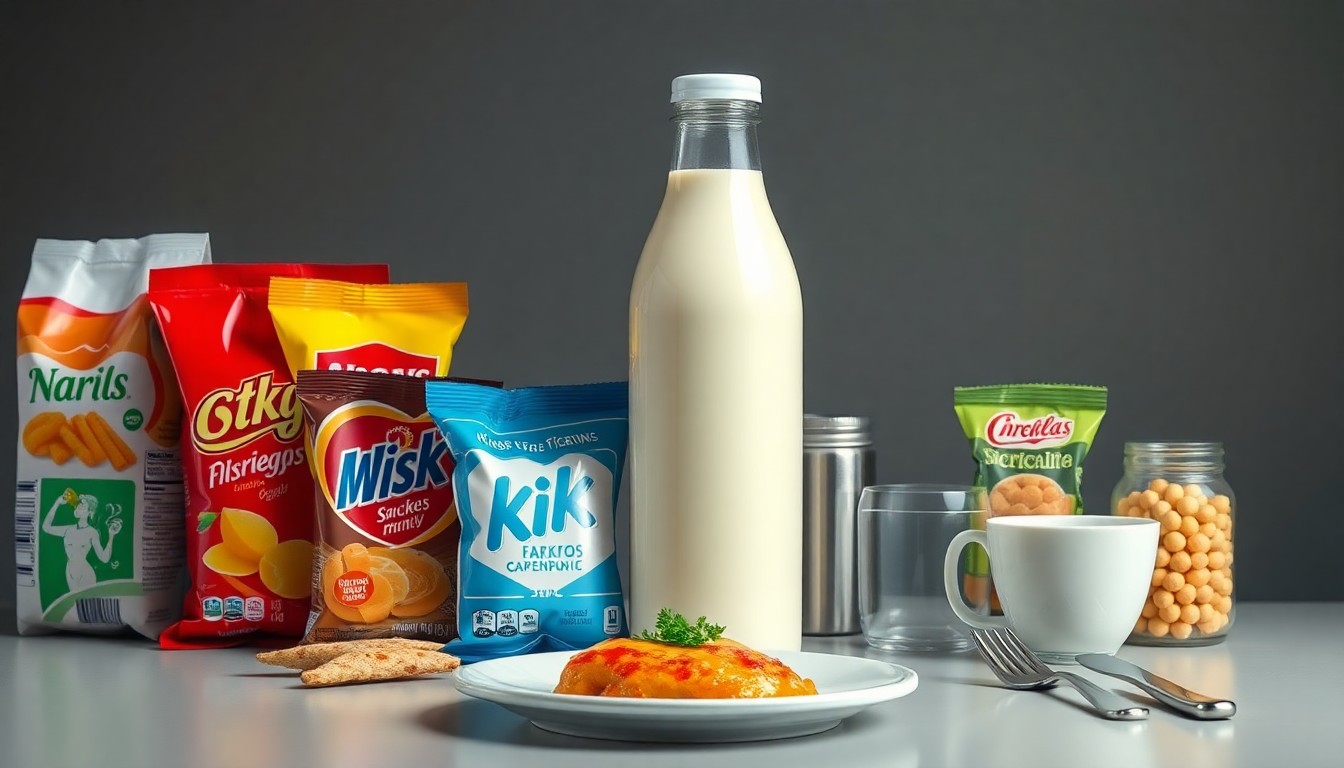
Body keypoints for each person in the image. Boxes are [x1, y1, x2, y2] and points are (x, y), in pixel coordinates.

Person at [42, 489, 122, 592]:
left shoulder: (92, 532)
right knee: (76, 604)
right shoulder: (68, 530)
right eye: (79, 505)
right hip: (70, 573)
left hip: (86, 574)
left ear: (90, 512)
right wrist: (57, 503)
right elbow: (46, 527)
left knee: (86, 602)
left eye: (83, 507)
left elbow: (104, 558)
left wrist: (111, 536)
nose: (79, 508)